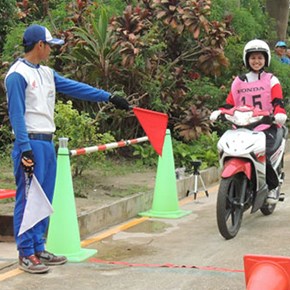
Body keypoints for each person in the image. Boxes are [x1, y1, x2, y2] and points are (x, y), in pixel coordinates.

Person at [4, 24, 129, 274]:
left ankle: (39, 246)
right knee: (28, 200)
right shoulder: (17, 75)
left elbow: (76, 88)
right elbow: (16, 113)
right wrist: (25, 148)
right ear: (40, 45)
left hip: (46, 141)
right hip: (29, 142)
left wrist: (109, 97)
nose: (52, 50)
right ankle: (26, 252)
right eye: (50, 45)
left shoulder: (47, 73)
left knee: (44, 199)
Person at [210, 39, 287, 204]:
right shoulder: (239, 81)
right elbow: (230, 103)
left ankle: (272, 187)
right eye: (253, 58)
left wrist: (279, 114)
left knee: (264, 153)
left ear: (266, 59)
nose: (256, 61)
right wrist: (220, 112)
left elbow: (278, 103)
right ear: (247, 59)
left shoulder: (271, 80)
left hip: (266, 126)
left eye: (260, 57)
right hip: (241, 126)